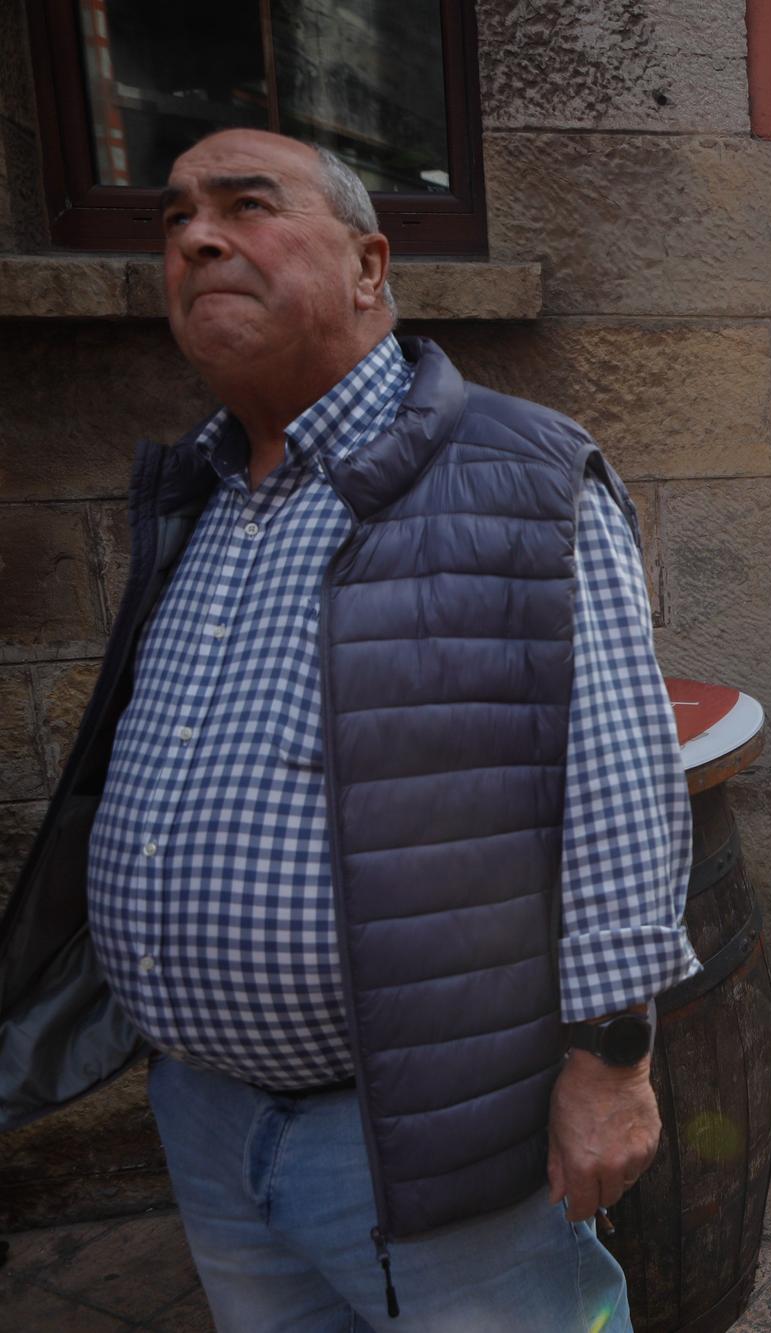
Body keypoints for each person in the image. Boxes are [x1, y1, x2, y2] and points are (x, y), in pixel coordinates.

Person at [0, 131, 694, 1330]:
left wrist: (614, 1062)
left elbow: (618, 786)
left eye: (246, 205)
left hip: (427, 1129)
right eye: (173, 220)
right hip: (205, 1112)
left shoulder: (519, 473)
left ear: (371, 266)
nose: (196, 237)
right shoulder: (201, 494)